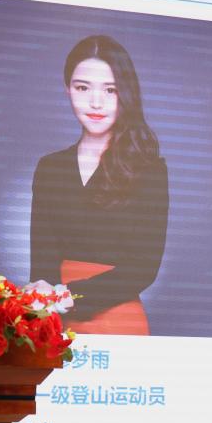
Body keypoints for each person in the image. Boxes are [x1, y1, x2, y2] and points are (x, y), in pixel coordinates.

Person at [30, 35, 169, 335]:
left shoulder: (148, 169)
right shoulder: (50, 167)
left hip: (117, 318)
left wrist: (70, 297)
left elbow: (144, 267)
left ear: (126, 94)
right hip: (54, 319)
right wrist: (44, 296)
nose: (95, 102)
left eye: (110, 90)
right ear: (67, 89)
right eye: (82, 88)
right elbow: (42, 262)